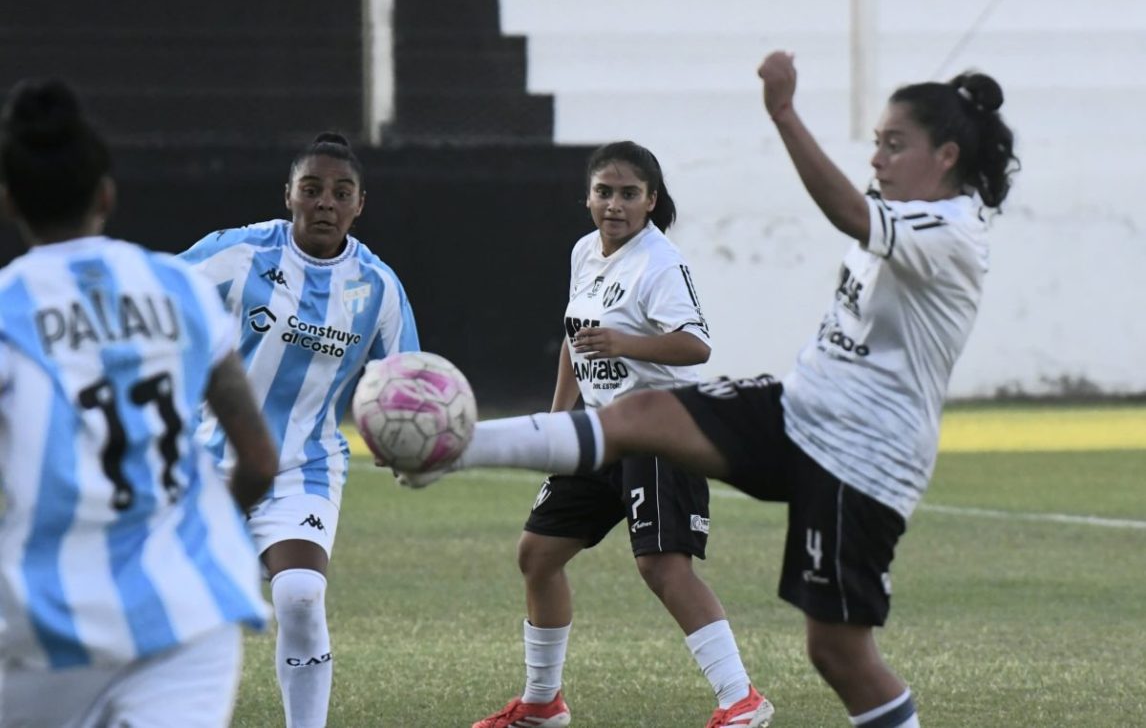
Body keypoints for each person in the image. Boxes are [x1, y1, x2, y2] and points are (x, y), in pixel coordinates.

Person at [402, 51, 1019, 728]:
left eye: (894, 145)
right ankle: (452, 447)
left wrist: (784, 114)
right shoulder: (898, 213)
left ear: (947, 156)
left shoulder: (952, 234)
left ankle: (740, 700)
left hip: (864, 455)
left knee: (836, 652)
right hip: (800, 409)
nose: (877, 159)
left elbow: (844, 215)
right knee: (638, 418)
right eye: (875, 143)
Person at [0, 79, 279, 727]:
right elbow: (260, 462)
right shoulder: (179, 288)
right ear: (106, 192)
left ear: (9, 199)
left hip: (49, 628)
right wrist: (192, 529)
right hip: (190, 616)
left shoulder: (10, 311)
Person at [467, 141, 772, 728]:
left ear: (651, 202)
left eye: (629, 194)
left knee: (662, 565)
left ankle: (742, 699)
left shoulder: (660, 263)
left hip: (663, 426)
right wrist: (560, 424)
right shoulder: (586, 253)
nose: (615, 204)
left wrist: (626, 342)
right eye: (604, 191)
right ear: (587, 197)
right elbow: (574, 338)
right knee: (538, 555)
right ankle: (542, 704)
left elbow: (695, 344)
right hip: (601, 431)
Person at [180, 132, 420, 728]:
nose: (325, 204)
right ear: (289, 194)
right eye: (311, 189)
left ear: (360, 204)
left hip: (304, 466)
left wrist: (405, 438)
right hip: (207, 458)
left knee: (300, 596)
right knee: (186, 604)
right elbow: (158, 294)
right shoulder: (237, 254)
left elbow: (405, 382)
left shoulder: (379, 287)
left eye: (341, 193)